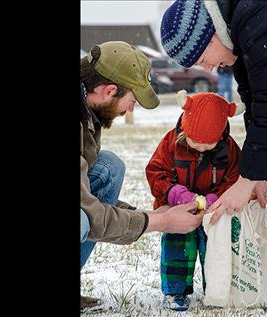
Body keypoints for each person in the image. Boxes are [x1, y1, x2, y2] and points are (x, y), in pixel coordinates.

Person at [160, 0, 267, 296]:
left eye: (202, 58)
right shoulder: (239, 31)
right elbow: (258, 101)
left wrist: (246, 181)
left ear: (210, 33)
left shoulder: (254, 14)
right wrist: (260, 174)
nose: (208, 68)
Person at [80, 41, 205, 310]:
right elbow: (89, 214)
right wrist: (160, 223)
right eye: (132, 101)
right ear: (110, 90)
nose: (131, 109)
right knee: (80, 220)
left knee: (109, 167)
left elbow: (88, 198)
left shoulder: (88, 112)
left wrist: (156, 215)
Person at [145, 90, 242, 311]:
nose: (200, 148)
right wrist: (173, 193)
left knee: (215, 250)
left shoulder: (229, 149)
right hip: (177, 210)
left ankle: (216, 289)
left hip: (213, 211)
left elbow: (234, 178)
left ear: (220, 136)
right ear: (185, 130)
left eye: (208, 145)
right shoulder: (172, 141)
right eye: (195, 142)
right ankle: (175, 291)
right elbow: (155, 171)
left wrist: (216, 197)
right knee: (178, 248)